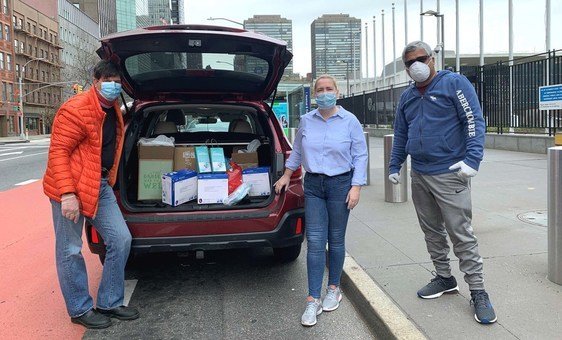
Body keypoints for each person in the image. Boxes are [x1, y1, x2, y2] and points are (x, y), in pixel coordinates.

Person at [388, 41, 497, 324]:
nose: (416, 66)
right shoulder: (408, 97)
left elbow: (473, 120)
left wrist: (473, 160)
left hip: (450, 174)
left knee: (461, 234)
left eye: (421, 59)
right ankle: (445, 278)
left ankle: (478, 291)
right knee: (432, 232)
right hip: (420, 174)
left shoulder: (454, 84)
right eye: (410, 63)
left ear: (433, 58)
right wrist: (394, 165)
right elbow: (401, 133)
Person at [43, 60, 139, 329]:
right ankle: (79, 308)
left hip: (99, 185)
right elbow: (58, 153)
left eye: (118, 82)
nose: (113, 85)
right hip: (70, 188)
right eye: (108, 79)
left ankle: (110, 302)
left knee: (120, 239)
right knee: (70, 249)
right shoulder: (75, 109)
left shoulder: (113, 111)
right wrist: (67, 194)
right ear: (95, 81)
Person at [274, 75, 368, 327]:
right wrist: (285, 175)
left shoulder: (350, 121)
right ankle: (313, 298)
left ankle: (333, 288)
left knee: (336, 239)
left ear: (337, 91)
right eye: (320, 90)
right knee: (315, 241)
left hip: (341, 184)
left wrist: (356, 186)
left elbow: (360, 155)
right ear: (314, 94)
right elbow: (296, 151)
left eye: (329, 89)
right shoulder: (306, 121)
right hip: (313, 185)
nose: (324, 93)